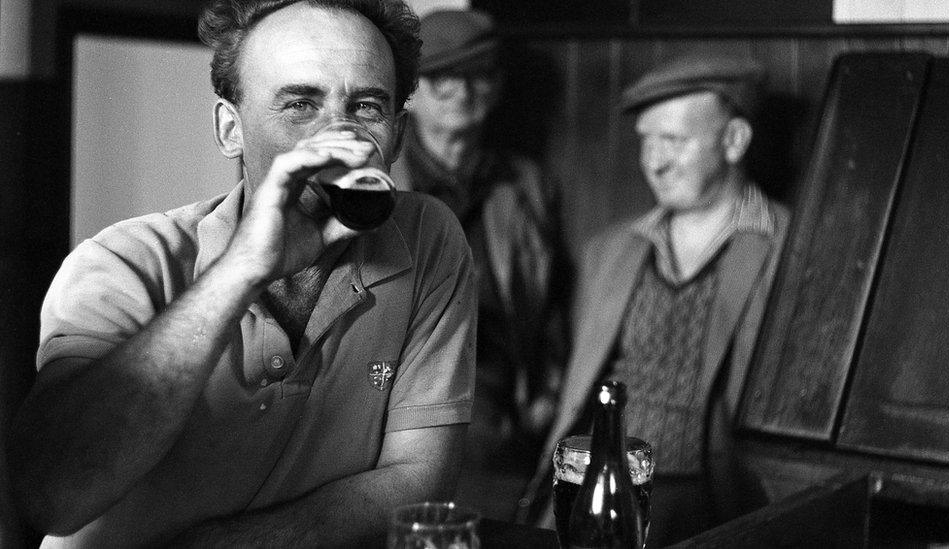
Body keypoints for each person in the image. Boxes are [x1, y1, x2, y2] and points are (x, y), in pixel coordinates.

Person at [6, 1, 475, 547]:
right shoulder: (122, 263)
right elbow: (52, 497)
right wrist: (241, 271)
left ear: (394, 136)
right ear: (231, 128)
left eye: (366, 106)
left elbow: (420, 478)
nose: (338, 137)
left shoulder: (426, 241)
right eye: (300, 104)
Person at [518, 54, 791, 546]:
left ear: (734, 141)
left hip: (713, 503)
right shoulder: (609, 251)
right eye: (646, 140)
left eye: (674, 141)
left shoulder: (791, 246)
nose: (655, 161)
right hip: (591, 488)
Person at [391, 9, 571, 517]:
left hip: (495, 412)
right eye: (441, 76)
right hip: (394, 407)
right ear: (412, 91)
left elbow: (553, 295)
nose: (461, 91)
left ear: (496, 87)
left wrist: (546, 391)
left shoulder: (527, 184)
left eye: (477, 75)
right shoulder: (377, 177)